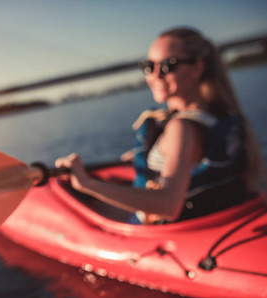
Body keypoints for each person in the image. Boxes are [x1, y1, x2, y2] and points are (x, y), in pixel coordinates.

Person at [55, 27, 264, 224]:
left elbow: (169, 205)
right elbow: (191, 156)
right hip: (216, 212)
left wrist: (87, 184)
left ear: (197, 68)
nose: (155, 75)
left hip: (170, 225)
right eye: (148, 66)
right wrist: (151, 156)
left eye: (168, 65)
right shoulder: (217, 114)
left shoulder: (182, 128)